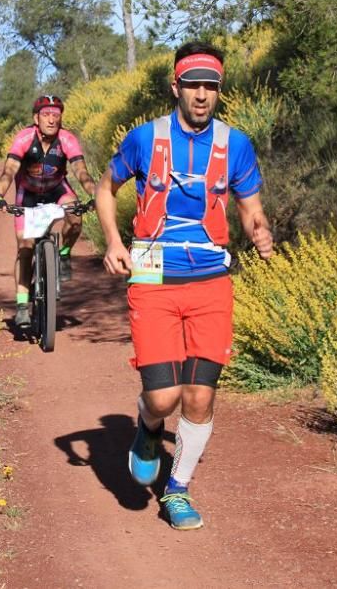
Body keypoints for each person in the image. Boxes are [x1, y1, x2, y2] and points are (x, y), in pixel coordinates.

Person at [95, 41, 274, 530]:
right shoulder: (143, 139)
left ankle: (177, 490)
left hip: (211, 281)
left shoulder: (235, 144)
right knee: (163, 398)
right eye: (193, 85)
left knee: (200, 396)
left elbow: (248, 203)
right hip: (153, 279)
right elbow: (104, 189)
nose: (201, 95)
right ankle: (148, 428)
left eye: (210, 87)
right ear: (175, 86)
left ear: (219, 92)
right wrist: (113, 241)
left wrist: (258, 226)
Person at [0, 95, 97, 327]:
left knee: (75, 216)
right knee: (25, 248)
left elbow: (81, 172)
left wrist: (95, 193)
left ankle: (65, 252)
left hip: (56, 189)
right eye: (46, 115)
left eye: (56, 115)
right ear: (35, 118)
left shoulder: (67, 140)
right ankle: (21, 306)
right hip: (27, 194)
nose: (51, 120)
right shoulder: (24, 138)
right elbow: (9, 171)